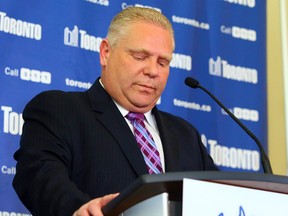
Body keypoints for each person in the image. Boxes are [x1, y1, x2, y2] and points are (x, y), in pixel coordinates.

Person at [13, 6, 219, 216]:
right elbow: (38, 175)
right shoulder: (60, 110)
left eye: (162, 62)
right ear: (106, 52)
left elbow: (219, 199)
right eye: (140, 56)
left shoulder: (186, 135)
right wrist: (79, 209)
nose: (153, 71)